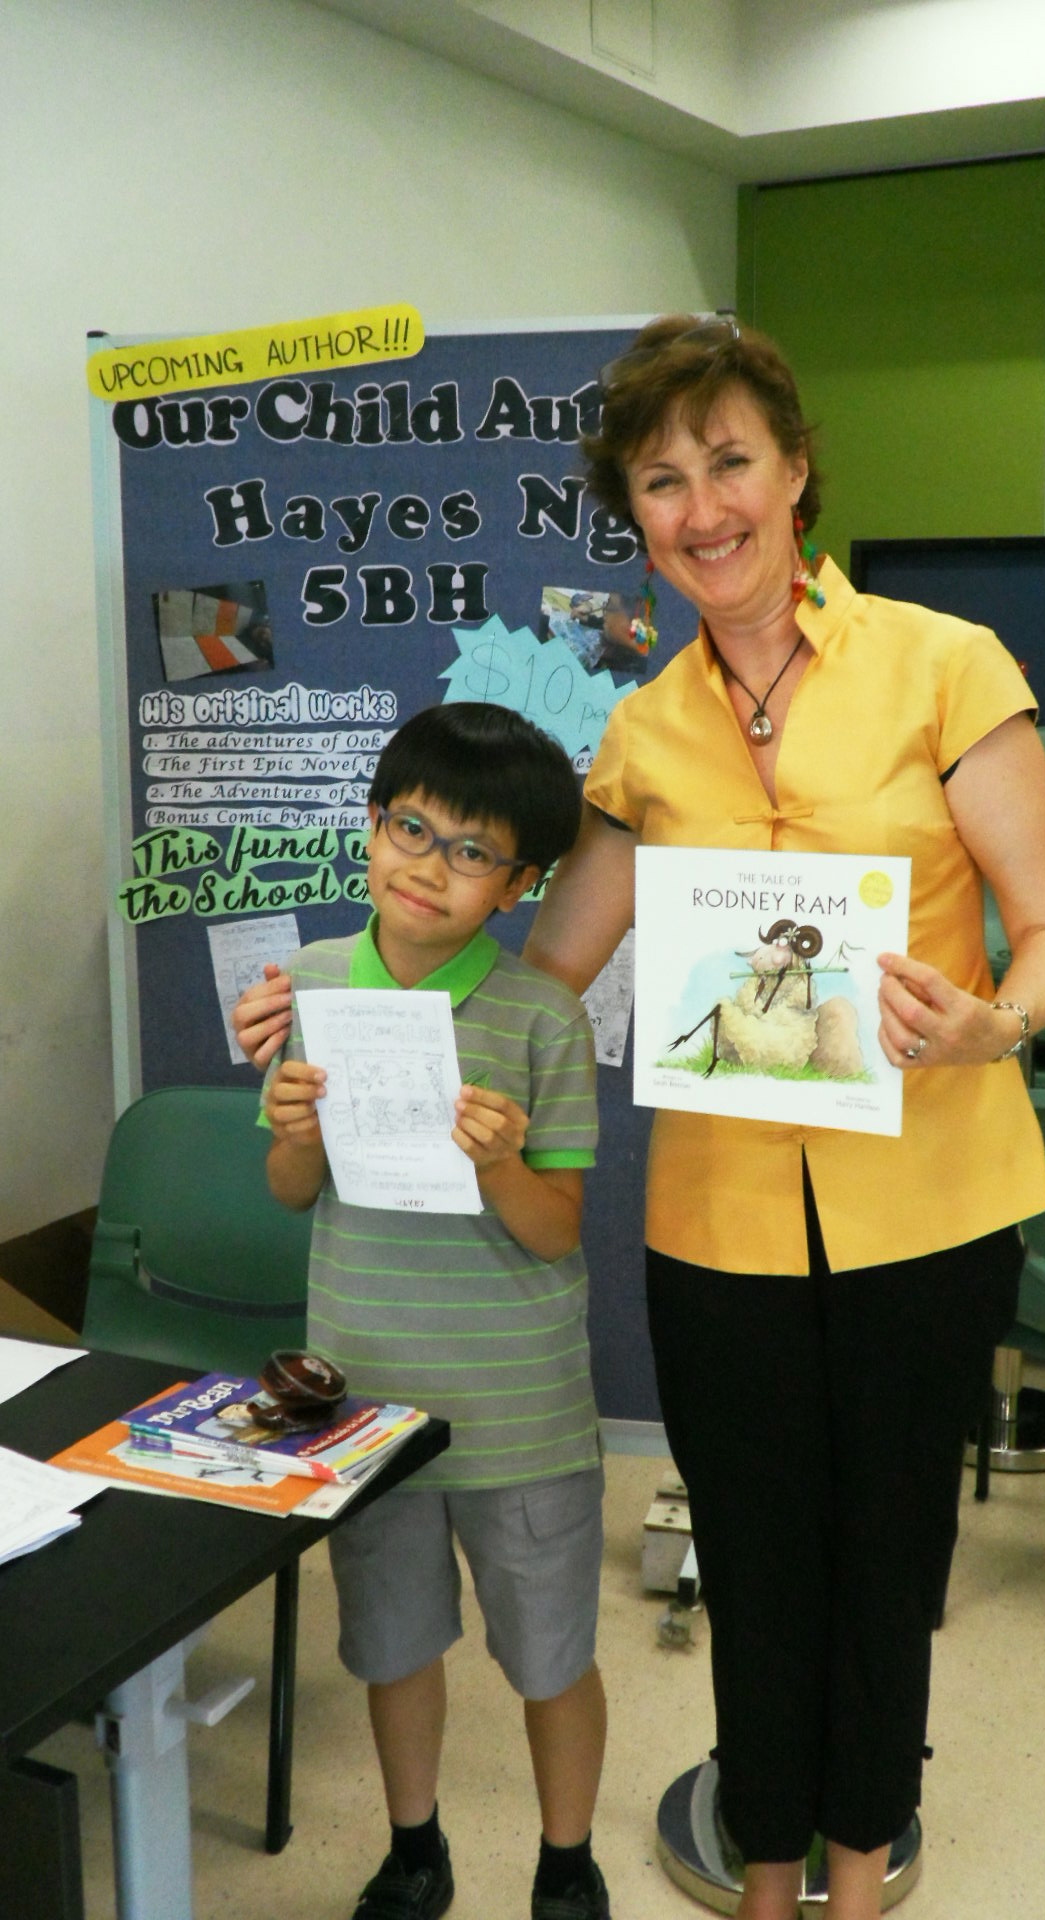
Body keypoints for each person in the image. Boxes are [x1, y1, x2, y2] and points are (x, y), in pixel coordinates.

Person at [515, 316, 1045, 1920]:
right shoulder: (646, 729)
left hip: (931, 1205)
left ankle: (856, 1866)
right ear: (636, 518)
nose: (703, 508)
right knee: (754, 1566)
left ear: (796, 468)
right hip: (718, 1222)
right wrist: (366, 1002)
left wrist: (996, 1022)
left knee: (888, 1564)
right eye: (662, 480)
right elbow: (549, 968)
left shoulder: (944, 664)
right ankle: (768, 1875)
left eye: (730, 462)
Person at [254, 703, 611, 1920]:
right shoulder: (310, 984)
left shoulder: (542, 1015)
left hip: (520, 1413)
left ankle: (566, 1861)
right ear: (372, 825)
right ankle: (416, 1849)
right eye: (411, 828)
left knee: (550, 1655)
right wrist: (296, 1131)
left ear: (518, 885)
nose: (429, 866)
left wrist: (501, 1163)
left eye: (472, 851)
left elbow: (558, 1229)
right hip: (367, 1398)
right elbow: (291, 1188)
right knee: (393, 1644)